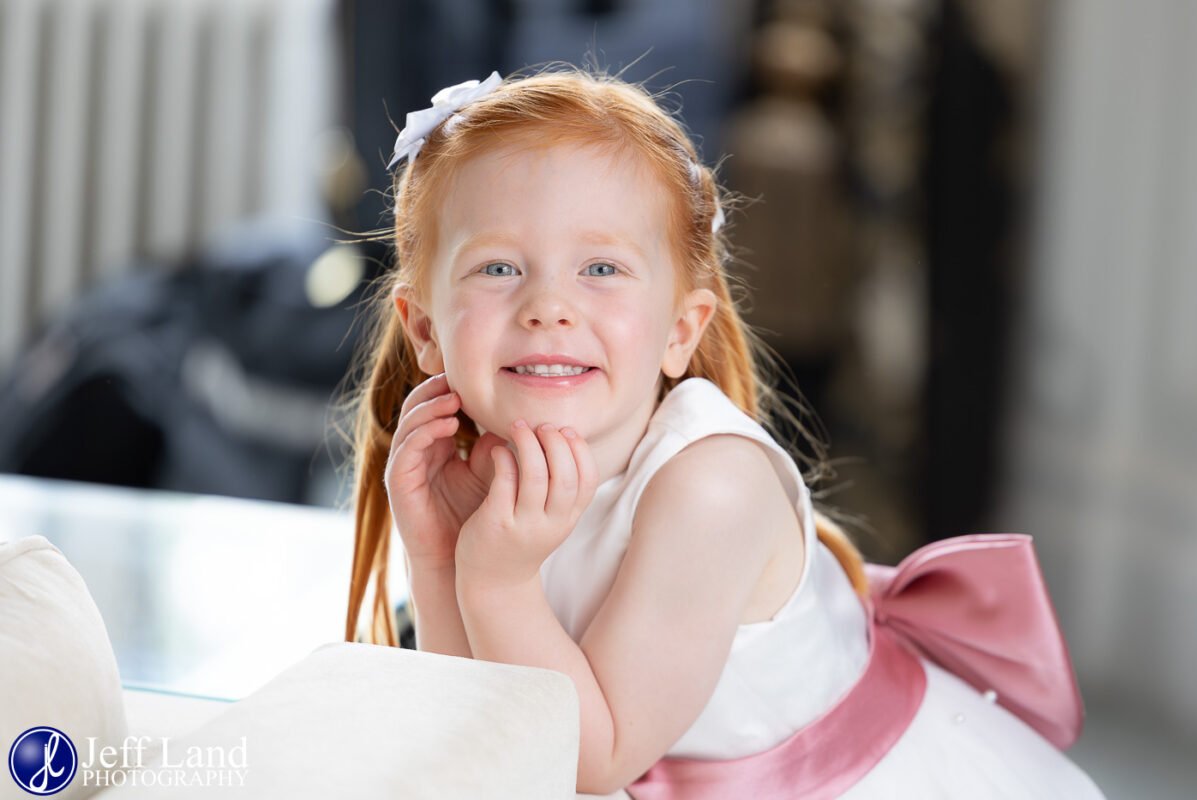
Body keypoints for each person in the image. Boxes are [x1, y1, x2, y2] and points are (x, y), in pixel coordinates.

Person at [341, 65, 1106, 798]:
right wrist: (439, 552)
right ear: (426, 331)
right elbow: (485, 726)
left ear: (681, 330)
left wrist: (494, 579)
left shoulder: (712, 487)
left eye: (601, 269)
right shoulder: (487, 465)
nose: (549, 305)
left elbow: (590, 760)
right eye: (499, 268)